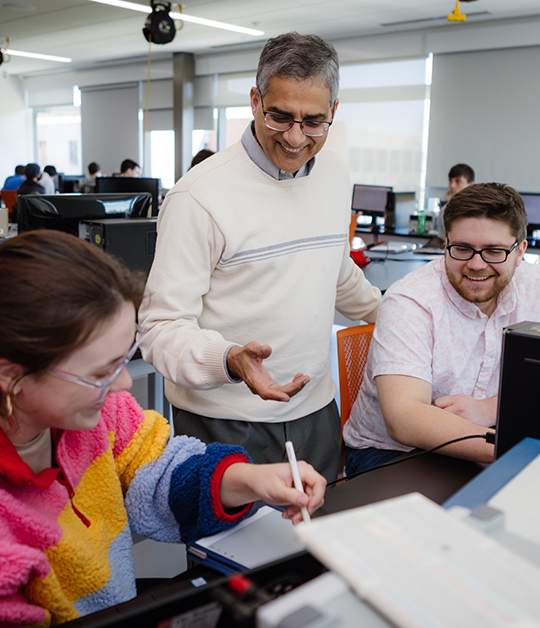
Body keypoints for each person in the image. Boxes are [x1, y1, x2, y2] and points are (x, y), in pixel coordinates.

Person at [0, 230, 326, 627]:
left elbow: (160, 470)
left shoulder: (102, 414)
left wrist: (250, 479)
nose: (123, 385)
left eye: (125, 360)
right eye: (101, 372)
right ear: (10, 376)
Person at [139, 32, 381, 482]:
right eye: (280, 117)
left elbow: (332, 268)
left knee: (316, 545)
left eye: (313, 122)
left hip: (316, 412)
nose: (295, 137)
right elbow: (159, 329)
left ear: (334, 112)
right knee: (230, 552)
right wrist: (229, 359)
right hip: (223, 421)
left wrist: (400, 316)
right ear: (254, 100)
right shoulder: (199, 195)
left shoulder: (335, 175)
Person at [344, 183, 540, 473]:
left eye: (494, 251)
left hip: (491, 435)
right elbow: (405, 419)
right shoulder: (410, 301)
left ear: (520, 250)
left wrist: (490, 408)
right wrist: (513, 451)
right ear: (446, 242)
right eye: (462, 248)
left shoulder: (534, 287)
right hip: (396, 451)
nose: (476, 264)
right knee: (470, 514)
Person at [437, 163, 475, 237]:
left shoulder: (479, 210)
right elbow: (444, 238)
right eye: (450, 181)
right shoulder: (444, 210)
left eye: (458, 181)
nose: (452, 185)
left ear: (471, 185)